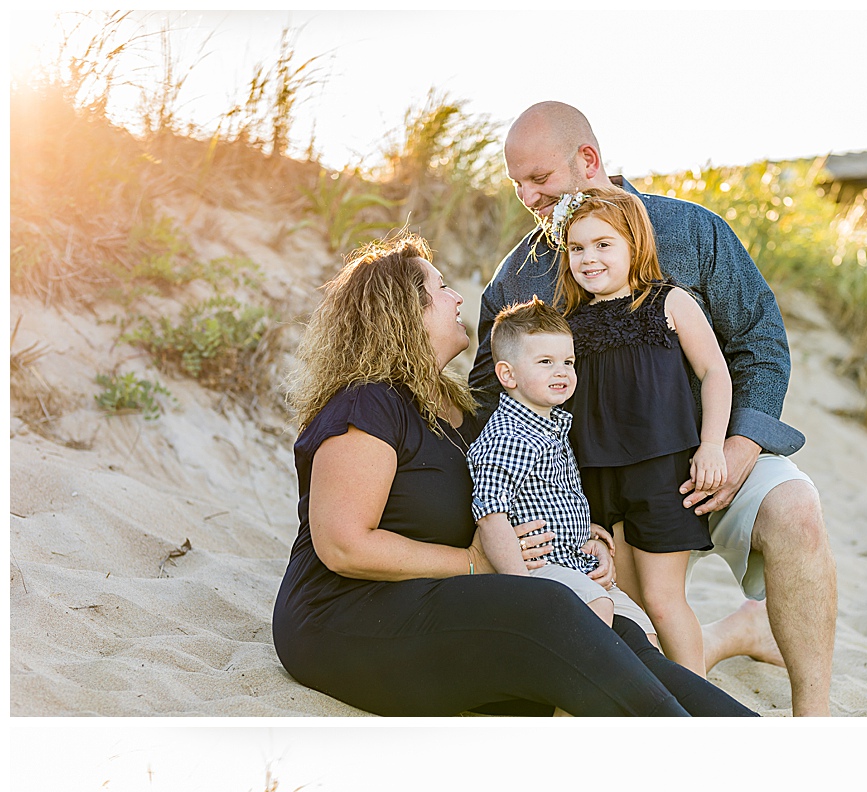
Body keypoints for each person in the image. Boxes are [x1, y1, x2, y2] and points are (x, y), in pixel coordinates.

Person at [271, 232, 756, 717]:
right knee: (548, 608)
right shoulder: (367, 402)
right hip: (345, 617)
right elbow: (344, 545)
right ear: (402, 311)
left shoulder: (467, 410)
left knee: (620, 631)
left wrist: (587, 537)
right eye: (440, 289)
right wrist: (474, 562)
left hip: (442, 599)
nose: (457, 296)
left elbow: (524, 486)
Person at [469, 101, 837, 715]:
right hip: (597, 480)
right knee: (651, 612)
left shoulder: (692, 230)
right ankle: (730, 640)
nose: (527, 196)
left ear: (587, 161)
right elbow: (490, 391)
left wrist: (737, 447)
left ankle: (813, 718)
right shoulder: (518, 276)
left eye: (540, 179)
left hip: (709, 451)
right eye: (517, 185)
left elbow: (759, 344)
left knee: (796, 510)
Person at [557, 188, 733, 674]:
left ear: (634, 243)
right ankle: (665, 691)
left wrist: (713, 445)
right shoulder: (570, 323)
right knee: (628, 597)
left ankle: (701, 702)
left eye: (603, 244)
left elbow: (715, 372)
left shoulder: (668, 302)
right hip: (594, 478)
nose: (588, 258)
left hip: (660, 471)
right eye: (576, 248)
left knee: (661, 598)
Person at [468, 297, 658, 643]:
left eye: (568, 362)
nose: (562, 371)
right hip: (537, 570)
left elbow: (552, 497)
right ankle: (572, 694)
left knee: (644, 628)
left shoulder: (553, 426)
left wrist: (586, 531)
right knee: (597, 606)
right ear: (507, 374)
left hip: (574, 562)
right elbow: (491, 515)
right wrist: (519, 587)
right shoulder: (508, 436)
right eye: (545, 362)